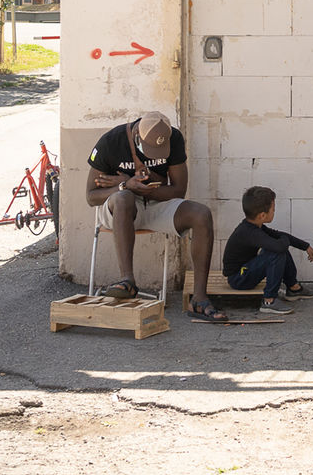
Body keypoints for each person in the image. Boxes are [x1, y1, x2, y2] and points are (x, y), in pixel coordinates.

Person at [85, 110, 228, 322]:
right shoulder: (111, 142)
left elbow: (178, 190)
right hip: (119, 211)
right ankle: (127, 281)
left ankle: (199, 299)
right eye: (150, 148)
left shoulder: (174, 138)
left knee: (201, 214)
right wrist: (125, 185)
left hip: (155, 203)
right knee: (124, 198)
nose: (155, 154)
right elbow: (91, 197)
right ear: (137, 135)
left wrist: (144, 187)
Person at [221, 186, 313, 316]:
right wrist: (283, 240)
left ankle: (294, 288)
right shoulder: (249, 232)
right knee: (276, 251)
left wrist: (305, 246)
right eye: (273, 209)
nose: (274, 211)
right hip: (239, 278)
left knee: (278, 247)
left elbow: (279, 236)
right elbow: (280, 245)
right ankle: (269, 301)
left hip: (245, 271)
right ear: (262, 215)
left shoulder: (255, 226)